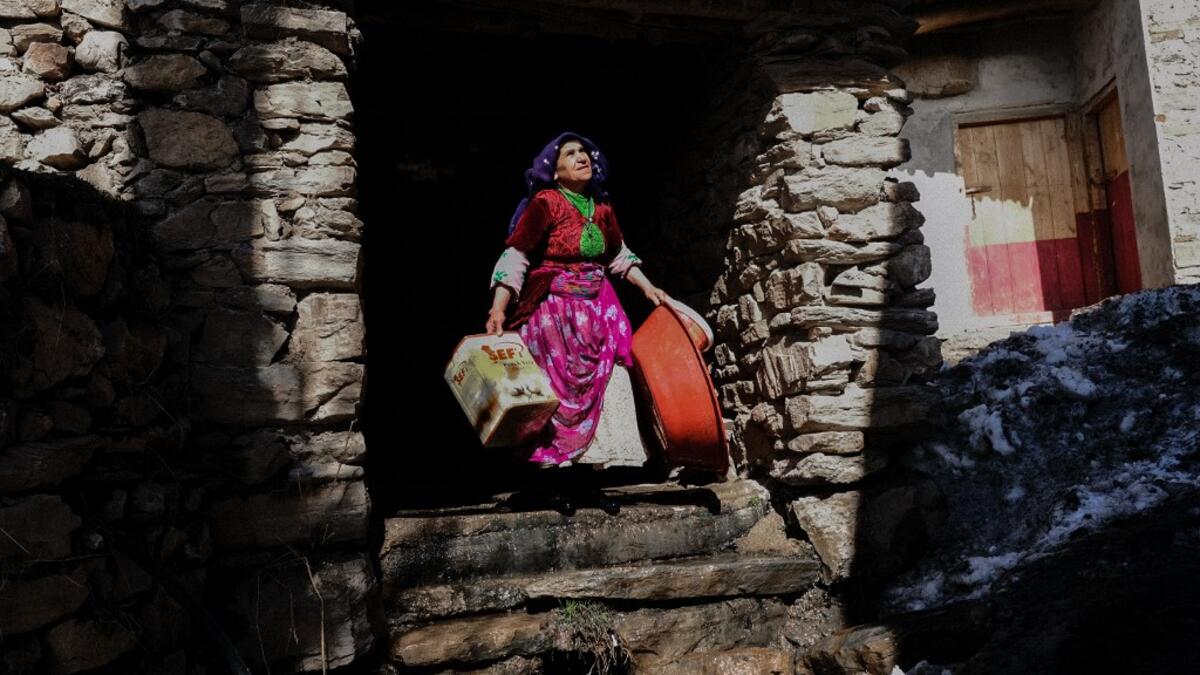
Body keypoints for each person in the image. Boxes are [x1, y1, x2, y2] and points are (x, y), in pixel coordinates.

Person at [486, 132, 668, 470]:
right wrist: (499, 307)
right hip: (555, 317)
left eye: (584, 151)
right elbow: (517, 256)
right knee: (554, 390)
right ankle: (555, 474)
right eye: (570, 154)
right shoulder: (546, 204)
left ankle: (594, 472)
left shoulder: (603, 208)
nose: (581, 157)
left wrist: (648, 288)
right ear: (555, 172)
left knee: (612, 374)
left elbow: (618, 256)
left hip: (598, 312)